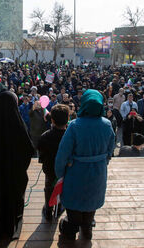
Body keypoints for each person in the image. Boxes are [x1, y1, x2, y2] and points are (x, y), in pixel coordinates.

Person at [55, 89, 115, 241]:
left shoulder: (75, 125)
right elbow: (110, 149)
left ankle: (70, 231)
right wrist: (102, 162)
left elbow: (63, 153)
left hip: (76, 172)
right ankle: (87, 230)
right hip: (98, 173)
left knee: (74, 206)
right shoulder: (107, 125)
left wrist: (59, 173)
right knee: (91, 203)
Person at [0, 91, 34, 242]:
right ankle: (12, 225)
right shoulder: (18, 124)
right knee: (14, 197)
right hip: (15, 173)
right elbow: (28, 149)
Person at [37, 104, 70, 220]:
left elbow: (41, 153)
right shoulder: (70, 136)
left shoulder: (45, 136)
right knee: (64, 188)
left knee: (49, 188)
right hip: (67, 170)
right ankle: (60, 206)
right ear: (68, 119)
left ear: (52, 120)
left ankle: (48, 210)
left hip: (50, 169)